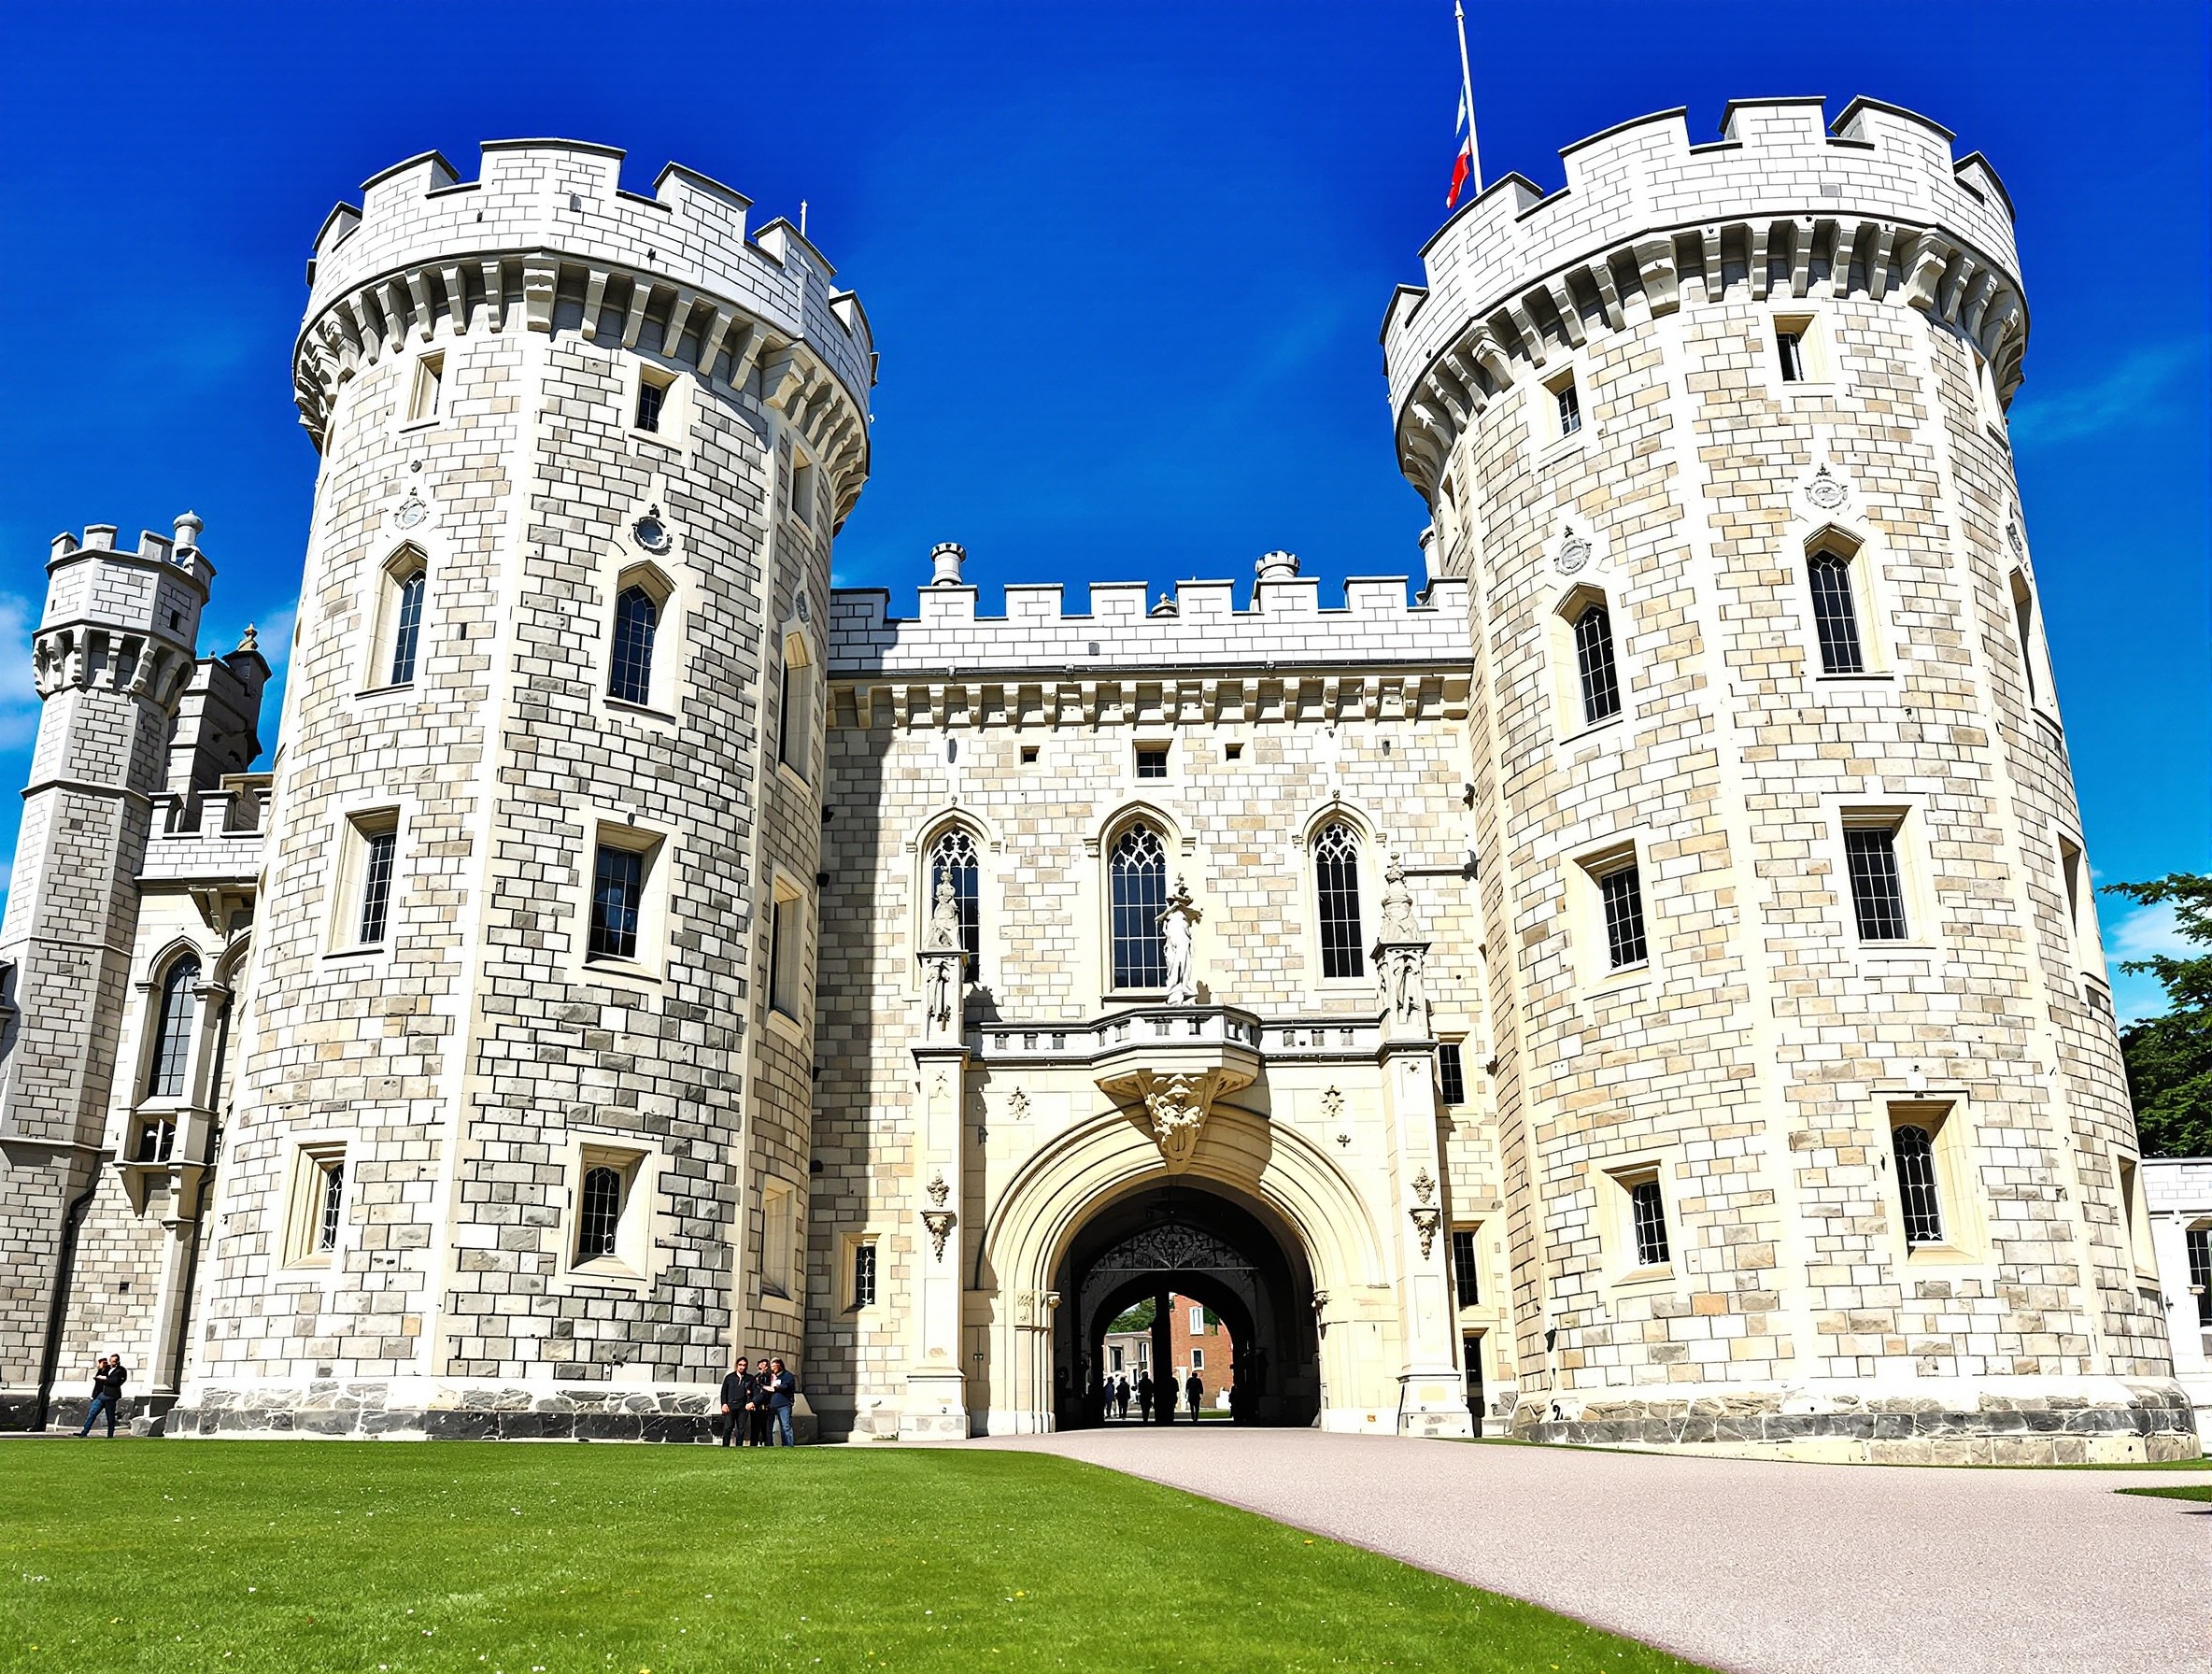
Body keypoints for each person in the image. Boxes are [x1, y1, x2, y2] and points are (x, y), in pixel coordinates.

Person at [78, 1354, 126, 1438]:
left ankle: (110, 1435)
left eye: (114, 1361)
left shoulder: (120, 1370)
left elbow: (116, 1381)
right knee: (92, 1413)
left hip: (110, 1396)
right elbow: (98, 1377)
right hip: (101, 1395)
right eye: (111, 1361)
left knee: (110, 1416)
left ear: (118, 1361)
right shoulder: (107, 1369)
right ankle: (84, 1432)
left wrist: (105, 1380)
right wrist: (100, 1369)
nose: (112, 1363)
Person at [717, 1357, 753, 1447]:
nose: (742, 1367)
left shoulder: (750, 1379)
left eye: (744, 1365)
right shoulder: (729, 1378)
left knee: (741, 1429)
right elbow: (724, 1392)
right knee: (728, 1427)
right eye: (740, 1365)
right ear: (737, 1365)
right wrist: (724, 1404)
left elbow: (753, 1392)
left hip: (743, 1407)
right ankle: (725, 1446)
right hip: (731, 1406)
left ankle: (739, 1447)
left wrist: (750, 1402)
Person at [764, 1357, 798, 1446]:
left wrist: (774, 1388)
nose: (772, 1368)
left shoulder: (787, 1376)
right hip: (772, 1404)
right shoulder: (770, 1376)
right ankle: (770, 1444)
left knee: (785, 1426)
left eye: (773, 1366)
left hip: (783, 1404)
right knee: (770, 1427)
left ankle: (788, 1445)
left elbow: (785, 1386)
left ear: (779, 1365)